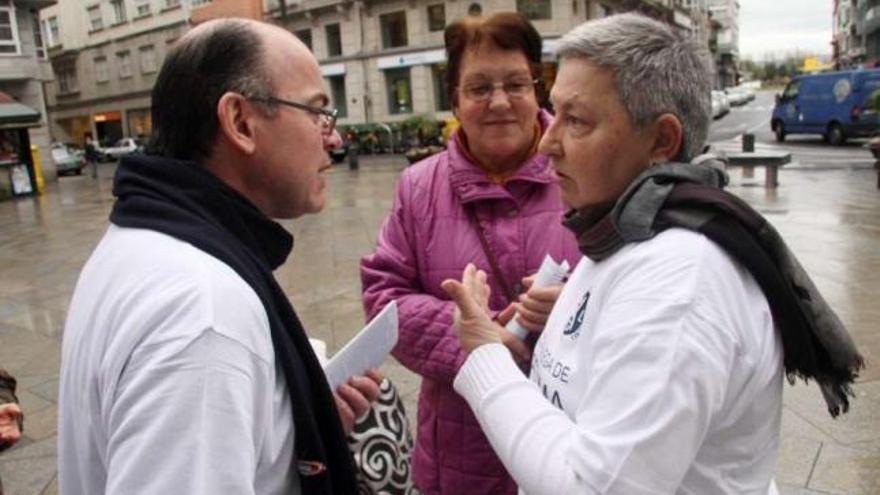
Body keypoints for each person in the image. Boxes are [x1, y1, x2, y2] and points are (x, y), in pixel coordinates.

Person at [442, 13, 863, 494]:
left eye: (575, 120)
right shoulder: (622, 230)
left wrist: (485, 352)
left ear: (661, 141)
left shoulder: (679, 281)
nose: (547, 144)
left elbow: (592, 487)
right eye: (553, 112)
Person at [59, 19, 381, 495]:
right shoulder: (204, 314)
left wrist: (291, 422)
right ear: (240, 122)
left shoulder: (140, 237)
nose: (332, 138)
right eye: (316, 113)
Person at [361, 12, 580, 495]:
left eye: (516, 84)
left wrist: (573, 308)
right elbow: (383, 298)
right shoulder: (418, 187)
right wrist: (472, 337)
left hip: (566, 441)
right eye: (479, 88)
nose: (499, 101)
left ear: (537, 89)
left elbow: (630, 287)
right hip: (459, 450)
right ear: (455, 98)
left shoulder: (583, 169)